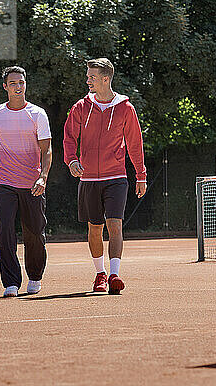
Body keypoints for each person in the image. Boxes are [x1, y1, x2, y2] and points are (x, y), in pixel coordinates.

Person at [63, 58, 146, 294]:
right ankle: (99, 273)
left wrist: (141, 175)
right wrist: (72, 160)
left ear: (105, 79)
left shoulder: (125, 108)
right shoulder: (80, 107)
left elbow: (135, 144)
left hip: (116, 177)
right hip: (88, 178)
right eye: (88, 76)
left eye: (92, 77)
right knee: (95, 228)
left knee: (115, 225)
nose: (87, 80)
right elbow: (69, 138)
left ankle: (114, 275)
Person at [0, 66, 52, 297]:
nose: (18, 87)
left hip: (32, 183)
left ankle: (34, 276)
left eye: (21, 82)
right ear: (5, 87)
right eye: (13, 83)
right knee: (5, 231)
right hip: (4, 182)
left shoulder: (38, 114)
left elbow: (47, 149)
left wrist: (43, 177)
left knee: (34, 233)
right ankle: (10, 282)